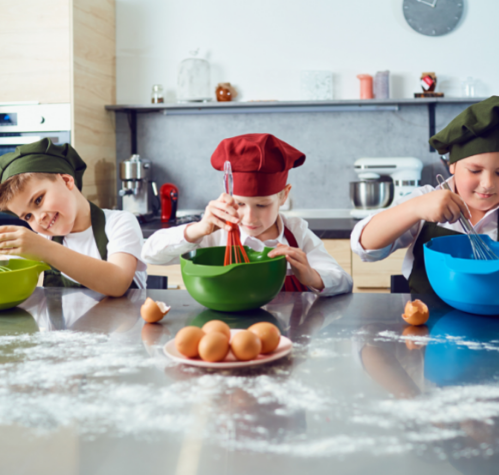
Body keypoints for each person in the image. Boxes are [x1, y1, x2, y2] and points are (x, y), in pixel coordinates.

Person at [142, 133, 352, 296]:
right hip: (225, 333)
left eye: (262, 205)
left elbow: (343, 281)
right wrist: (196, 230)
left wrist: (312, 277)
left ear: (283, 196)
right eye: (240, 203)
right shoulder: (213, 233)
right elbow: (149, 254)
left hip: (285, 335)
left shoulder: (296, 233)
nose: (249, 217)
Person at [351, 96, 499, 294]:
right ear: (451, 165)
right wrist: (415, 208)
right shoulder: (426, 199)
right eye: (474, 170)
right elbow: (364, 247)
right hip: (426, 320)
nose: (488, 184)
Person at [0, 139, 147, 295]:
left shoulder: (120, 223)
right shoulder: (44, 238)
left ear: (66, 180)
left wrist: (43, 248)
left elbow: (118, 282)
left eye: (38, 200)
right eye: (28, 216)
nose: (39, 219)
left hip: (124, 319)